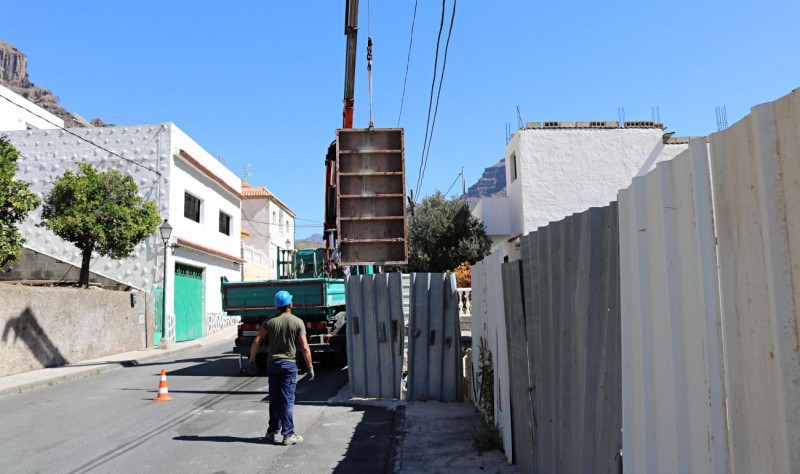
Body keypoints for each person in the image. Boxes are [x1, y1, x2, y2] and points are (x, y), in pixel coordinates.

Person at [248, 290, 314, 445]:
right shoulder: (297, 322)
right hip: (289, 365)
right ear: (290, 304)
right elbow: (304, 347)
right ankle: (288, 433)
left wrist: (252, 360)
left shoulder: (269, 321)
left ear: (276, 306)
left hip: (273, 365)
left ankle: (271, 432)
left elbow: (257, 340)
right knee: (287, 400)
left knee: (275, 399)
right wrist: (310, 366)